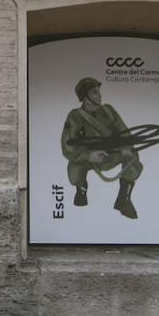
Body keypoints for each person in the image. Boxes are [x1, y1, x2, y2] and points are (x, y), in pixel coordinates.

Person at [60, 77, 143, 219]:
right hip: (89, 158)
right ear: (84, 97)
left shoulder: (109, 110)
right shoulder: (75, 116)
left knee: (133, 157)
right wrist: (89, 155)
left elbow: (125, 133)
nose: (99, 95)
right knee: (74, 166)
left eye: (99, 92)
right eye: (94, 93)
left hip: (111, 154)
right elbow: (67, 147)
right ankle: (81, 190)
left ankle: (123, 200)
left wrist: (126, 147)